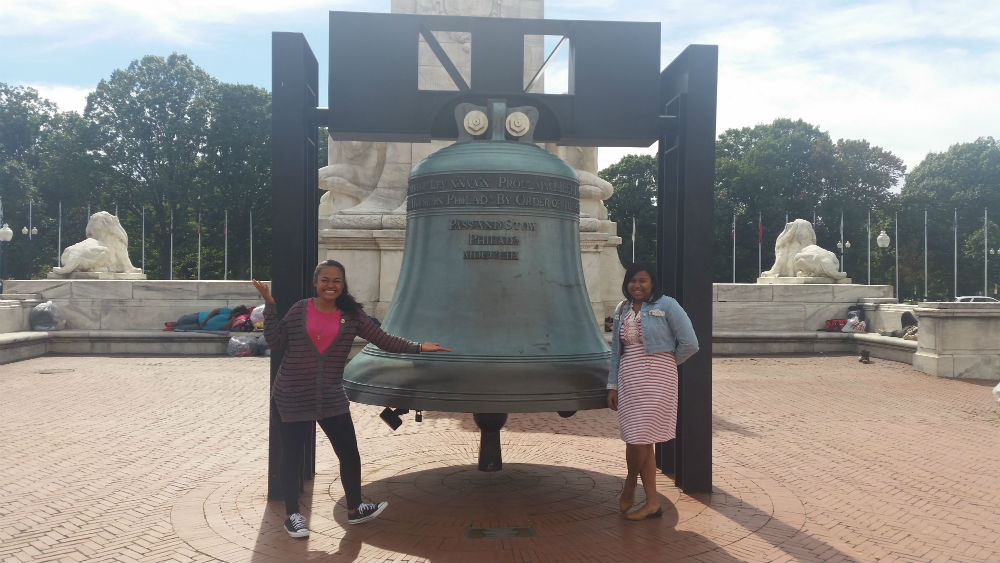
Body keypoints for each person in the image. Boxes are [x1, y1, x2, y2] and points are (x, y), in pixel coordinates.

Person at [252, 259, 449, 539]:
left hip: (329, 395)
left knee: (349, 453)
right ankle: (292, 515)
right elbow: (275, 340)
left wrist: (418, 347)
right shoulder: (300, 310)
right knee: (292, 456)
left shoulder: (352, 315)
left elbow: (382, 339)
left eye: (337, 281)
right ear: (315, 283)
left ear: (343, 285)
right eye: (325, 280)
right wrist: (269, 303)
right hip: (293, 393)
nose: (330, 285)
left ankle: (355, 509)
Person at [606, 263, 699, 521]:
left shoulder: (668, 305)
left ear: (652, 283)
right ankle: (652, 503)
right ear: (627, 283)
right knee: (637, 438)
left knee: (640, 439)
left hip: (658, 379)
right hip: (629, 378)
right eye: (633, 281)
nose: (637, 285)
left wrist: (666, 362)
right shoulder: (621, 308)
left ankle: (629, 483)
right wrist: (612, 385)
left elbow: (691, 343)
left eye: (643, 280)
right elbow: (616, 351)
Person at [170, 305, 251, 331]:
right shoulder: (228, 311)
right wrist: (206, 320)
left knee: (183, 328)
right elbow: (215, 311)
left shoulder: (233, 323)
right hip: (201, 317)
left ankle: (173, 327)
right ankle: (175, 323)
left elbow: (224, 327)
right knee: (183, 319)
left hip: (203, 327)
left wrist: (233, 319)